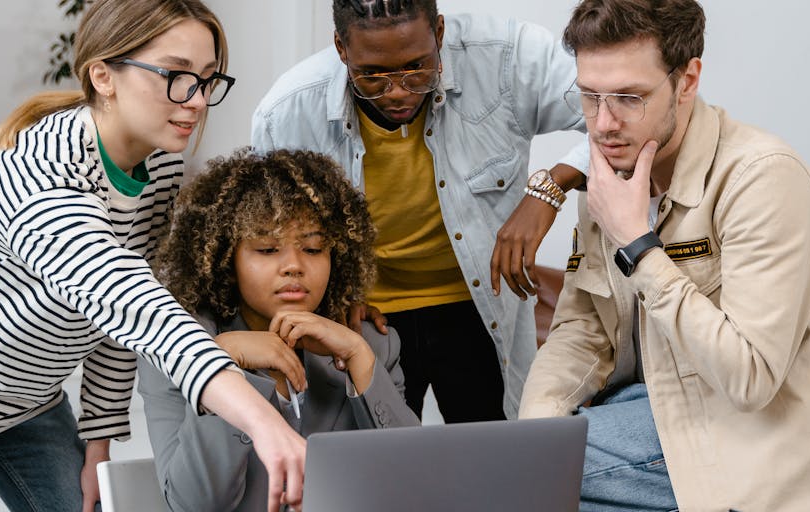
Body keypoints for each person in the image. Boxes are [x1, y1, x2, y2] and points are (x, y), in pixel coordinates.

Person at [0, 1, 305, 511]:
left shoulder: (160, 166)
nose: (196, 100)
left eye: (207, 79)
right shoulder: (39, 178)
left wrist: (97, 442)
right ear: (104, 76)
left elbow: (115, 323)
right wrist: (264, 423)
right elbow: (137, 307)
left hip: (27, 398)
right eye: (175, 75)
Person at [518, 0, 810, 510]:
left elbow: (750, 378)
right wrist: (531, 436)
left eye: (630, 98)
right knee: (515, 467)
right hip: (647, 410)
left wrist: (638, 244)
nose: (603, 124)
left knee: (515, 485)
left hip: (751, 439)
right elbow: (581, 329)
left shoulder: (763, 178)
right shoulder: (611, 174)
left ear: (687, 79)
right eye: (589, 96)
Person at [251, 0, 590, 423]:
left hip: (481, 308)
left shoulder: (508, 56)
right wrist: (329, 296)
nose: (397, 91)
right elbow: (271, 238)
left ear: (440, 34)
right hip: (370, 320)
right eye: (372, 75)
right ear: (341, 48)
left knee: (495, 463)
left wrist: (550, 187)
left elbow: (620, 112)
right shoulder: (286, 113)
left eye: (417, 67)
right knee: (383, 469)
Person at [139, 149, 420, 511]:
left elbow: (415, 482)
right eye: (268, 248)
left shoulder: (371, 344)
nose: (293, 266)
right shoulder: (176, 349)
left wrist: (358, 358)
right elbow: (196, 504)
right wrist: (223, 362)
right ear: (227, 258)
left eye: (314, 248)